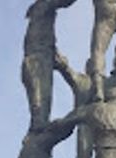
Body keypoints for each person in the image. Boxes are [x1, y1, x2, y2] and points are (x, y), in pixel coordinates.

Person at [22, 0, 77, 131]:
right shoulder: (44, 5)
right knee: (41, 100)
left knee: (39, 100)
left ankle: (38, 125)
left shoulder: (37, 12)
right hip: (39, 58)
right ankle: (39, 126)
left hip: (37, 56)